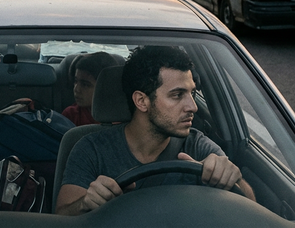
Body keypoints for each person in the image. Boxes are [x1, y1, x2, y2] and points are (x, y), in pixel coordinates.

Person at [56, 46, 255, 215]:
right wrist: (86, 203)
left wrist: (232, 179)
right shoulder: (91, 149)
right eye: (177, 95)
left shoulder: (198, 146)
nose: (193, 106)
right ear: (142, 101)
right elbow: (61, 215)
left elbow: (251, 210)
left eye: (192, 93)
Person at [62, 52, 120, 126]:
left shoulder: (121, 117)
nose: (76, 89)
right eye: (75, 81)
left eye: (85, 85)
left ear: (105, 87)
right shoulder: (71, 115)